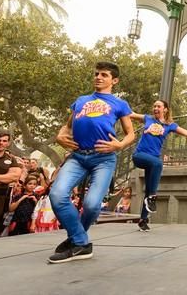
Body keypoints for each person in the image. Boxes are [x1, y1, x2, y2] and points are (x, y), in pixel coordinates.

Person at [48, 61, 134, 264]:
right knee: (57, 194)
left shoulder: (119, 104)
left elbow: (131, 134)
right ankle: (81, 242)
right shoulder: (81, 100)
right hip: (77, 157)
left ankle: (75, 240)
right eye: (96, 73)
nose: (98, 77)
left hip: (103, 158)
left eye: (104, 75)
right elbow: (66, 127)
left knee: (92, 204)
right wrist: (60, 136)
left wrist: (119, 145)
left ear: (114, 80)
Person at [130, 100, 187, 231]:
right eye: (154, 106)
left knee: (149, 188)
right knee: (158, 165)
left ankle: (143, 220)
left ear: (165, 109)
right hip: (139, 155)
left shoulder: (170, 125)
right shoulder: (147, 118)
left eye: (158, 106)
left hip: (153, 160)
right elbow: (131, 114)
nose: (155, 108)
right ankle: (153, 196)